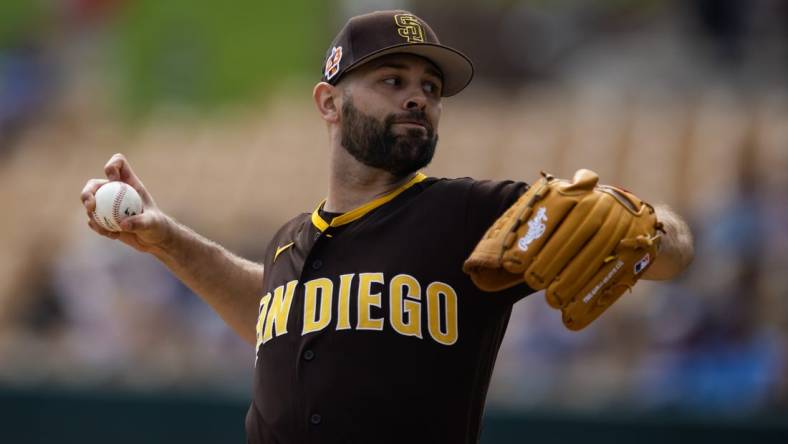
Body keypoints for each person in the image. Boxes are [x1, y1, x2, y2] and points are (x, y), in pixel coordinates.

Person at [80, 10, 694, 444]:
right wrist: (165, 240)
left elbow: (676, 251)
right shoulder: (289, 242)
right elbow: (273, 317)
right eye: (391, 81)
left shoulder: (472, 214)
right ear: (329, 102)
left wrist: (649, 229)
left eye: (430, 87)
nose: (418, 98)